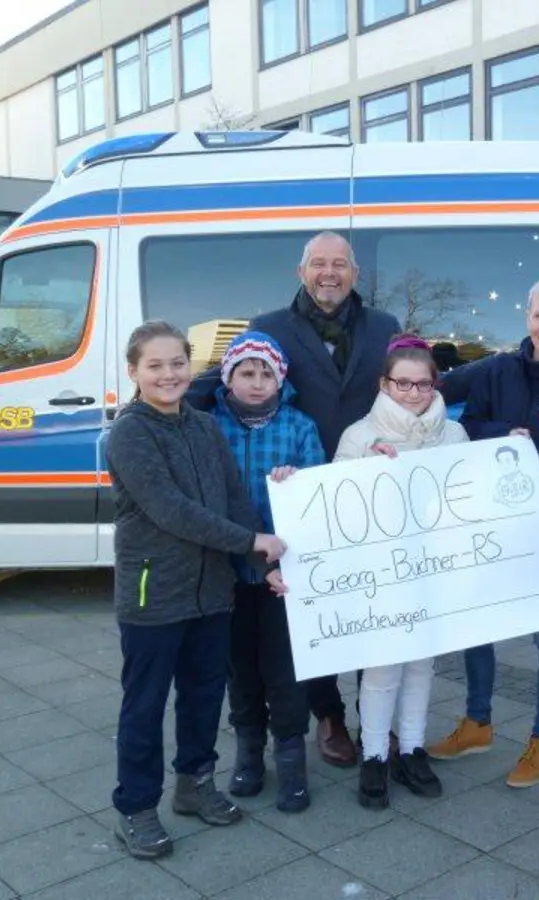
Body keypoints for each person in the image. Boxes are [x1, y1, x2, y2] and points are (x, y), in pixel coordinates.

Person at [104, 321, 287, 859]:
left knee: (205, 695)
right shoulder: (130, 433)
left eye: (177, 363)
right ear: (134, 372)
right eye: (155, 365)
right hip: (153, 594)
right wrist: (252, 537)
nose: (168, 374)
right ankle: (135, 808)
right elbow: (171, 512)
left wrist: (261, 561)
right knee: (144, 706)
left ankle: (195, 784)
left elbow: (233, 498)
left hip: (213, 592)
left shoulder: (205, 427)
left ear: (191, 366)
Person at [274, 334, 470, 809]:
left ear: (434, 383)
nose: (412, 393)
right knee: (382, 668)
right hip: (381, 575)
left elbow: (468, 495)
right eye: (402, 384)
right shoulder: (360, 436)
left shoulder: (455, 434)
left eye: (422, 384)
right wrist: (298, 483)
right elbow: (333, 507)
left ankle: (413, 747)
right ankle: (376, 755)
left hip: (433, 568)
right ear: (385, 383)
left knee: (423, 663)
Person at [241, 231, 401, 769]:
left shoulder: (384, 327)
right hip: (300, 494)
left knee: (370, 605)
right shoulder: (268, 329)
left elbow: (413, 385)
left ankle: (374, 715)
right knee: (312, 610)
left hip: (369, 489)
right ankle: (328, 714)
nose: (329, 273)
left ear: (355, 273)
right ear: (301, 271)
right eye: (319, 264)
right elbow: (231, 385)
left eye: (339, 264)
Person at [428, 274, 539, 789]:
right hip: (483, 525)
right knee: (477, 626)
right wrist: (502, 433)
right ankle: (477, 723)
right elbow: (456, 420)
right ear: (527, 316)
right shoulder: (495, 370)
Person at [201, 331, 326, 815]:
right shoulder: (209, 426)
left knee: (285, 673)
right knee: (241, 672)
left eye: (266, 374)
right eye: (246, 373)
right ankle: (249, 754)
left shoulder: (299, 427)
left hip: (283, 577)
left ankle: (292, 761)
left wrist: (296, 482)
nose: (256, 383)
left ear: (281, 379)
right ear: (228, 377)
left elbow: (316, 495)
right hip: (227, 573)